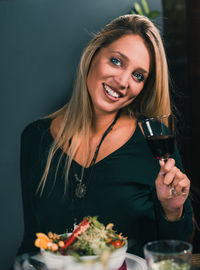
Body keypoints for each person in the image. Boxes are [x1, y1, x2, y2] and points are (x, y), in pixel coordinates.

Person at [17, 14, 193, 257]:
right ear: (93, 55)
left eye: (138, 75)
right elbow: (32, 243)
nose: (123, 82)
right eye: (116, 61)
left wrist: (172, 211)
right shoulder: (35, 138)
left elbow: (174, 252)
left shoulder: (154, 140)